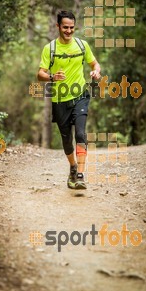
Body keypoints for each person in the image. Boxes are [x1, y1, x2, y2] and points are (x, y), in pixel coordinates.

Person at [37, 10, 101, 189]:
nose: (69, 31)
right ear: (58, 26)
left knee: (80, 134)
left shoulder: (82, 45)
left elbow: (94, 63)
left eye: (72, 27)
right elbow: (40, 74)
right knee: (66, 140)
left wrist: (96, 71)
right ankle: (72, 167)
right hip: (59, 99)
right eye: (65, 27)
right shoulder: (50, 49)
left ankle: (80, 174)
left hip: (80, 95)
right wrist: (51, 77)